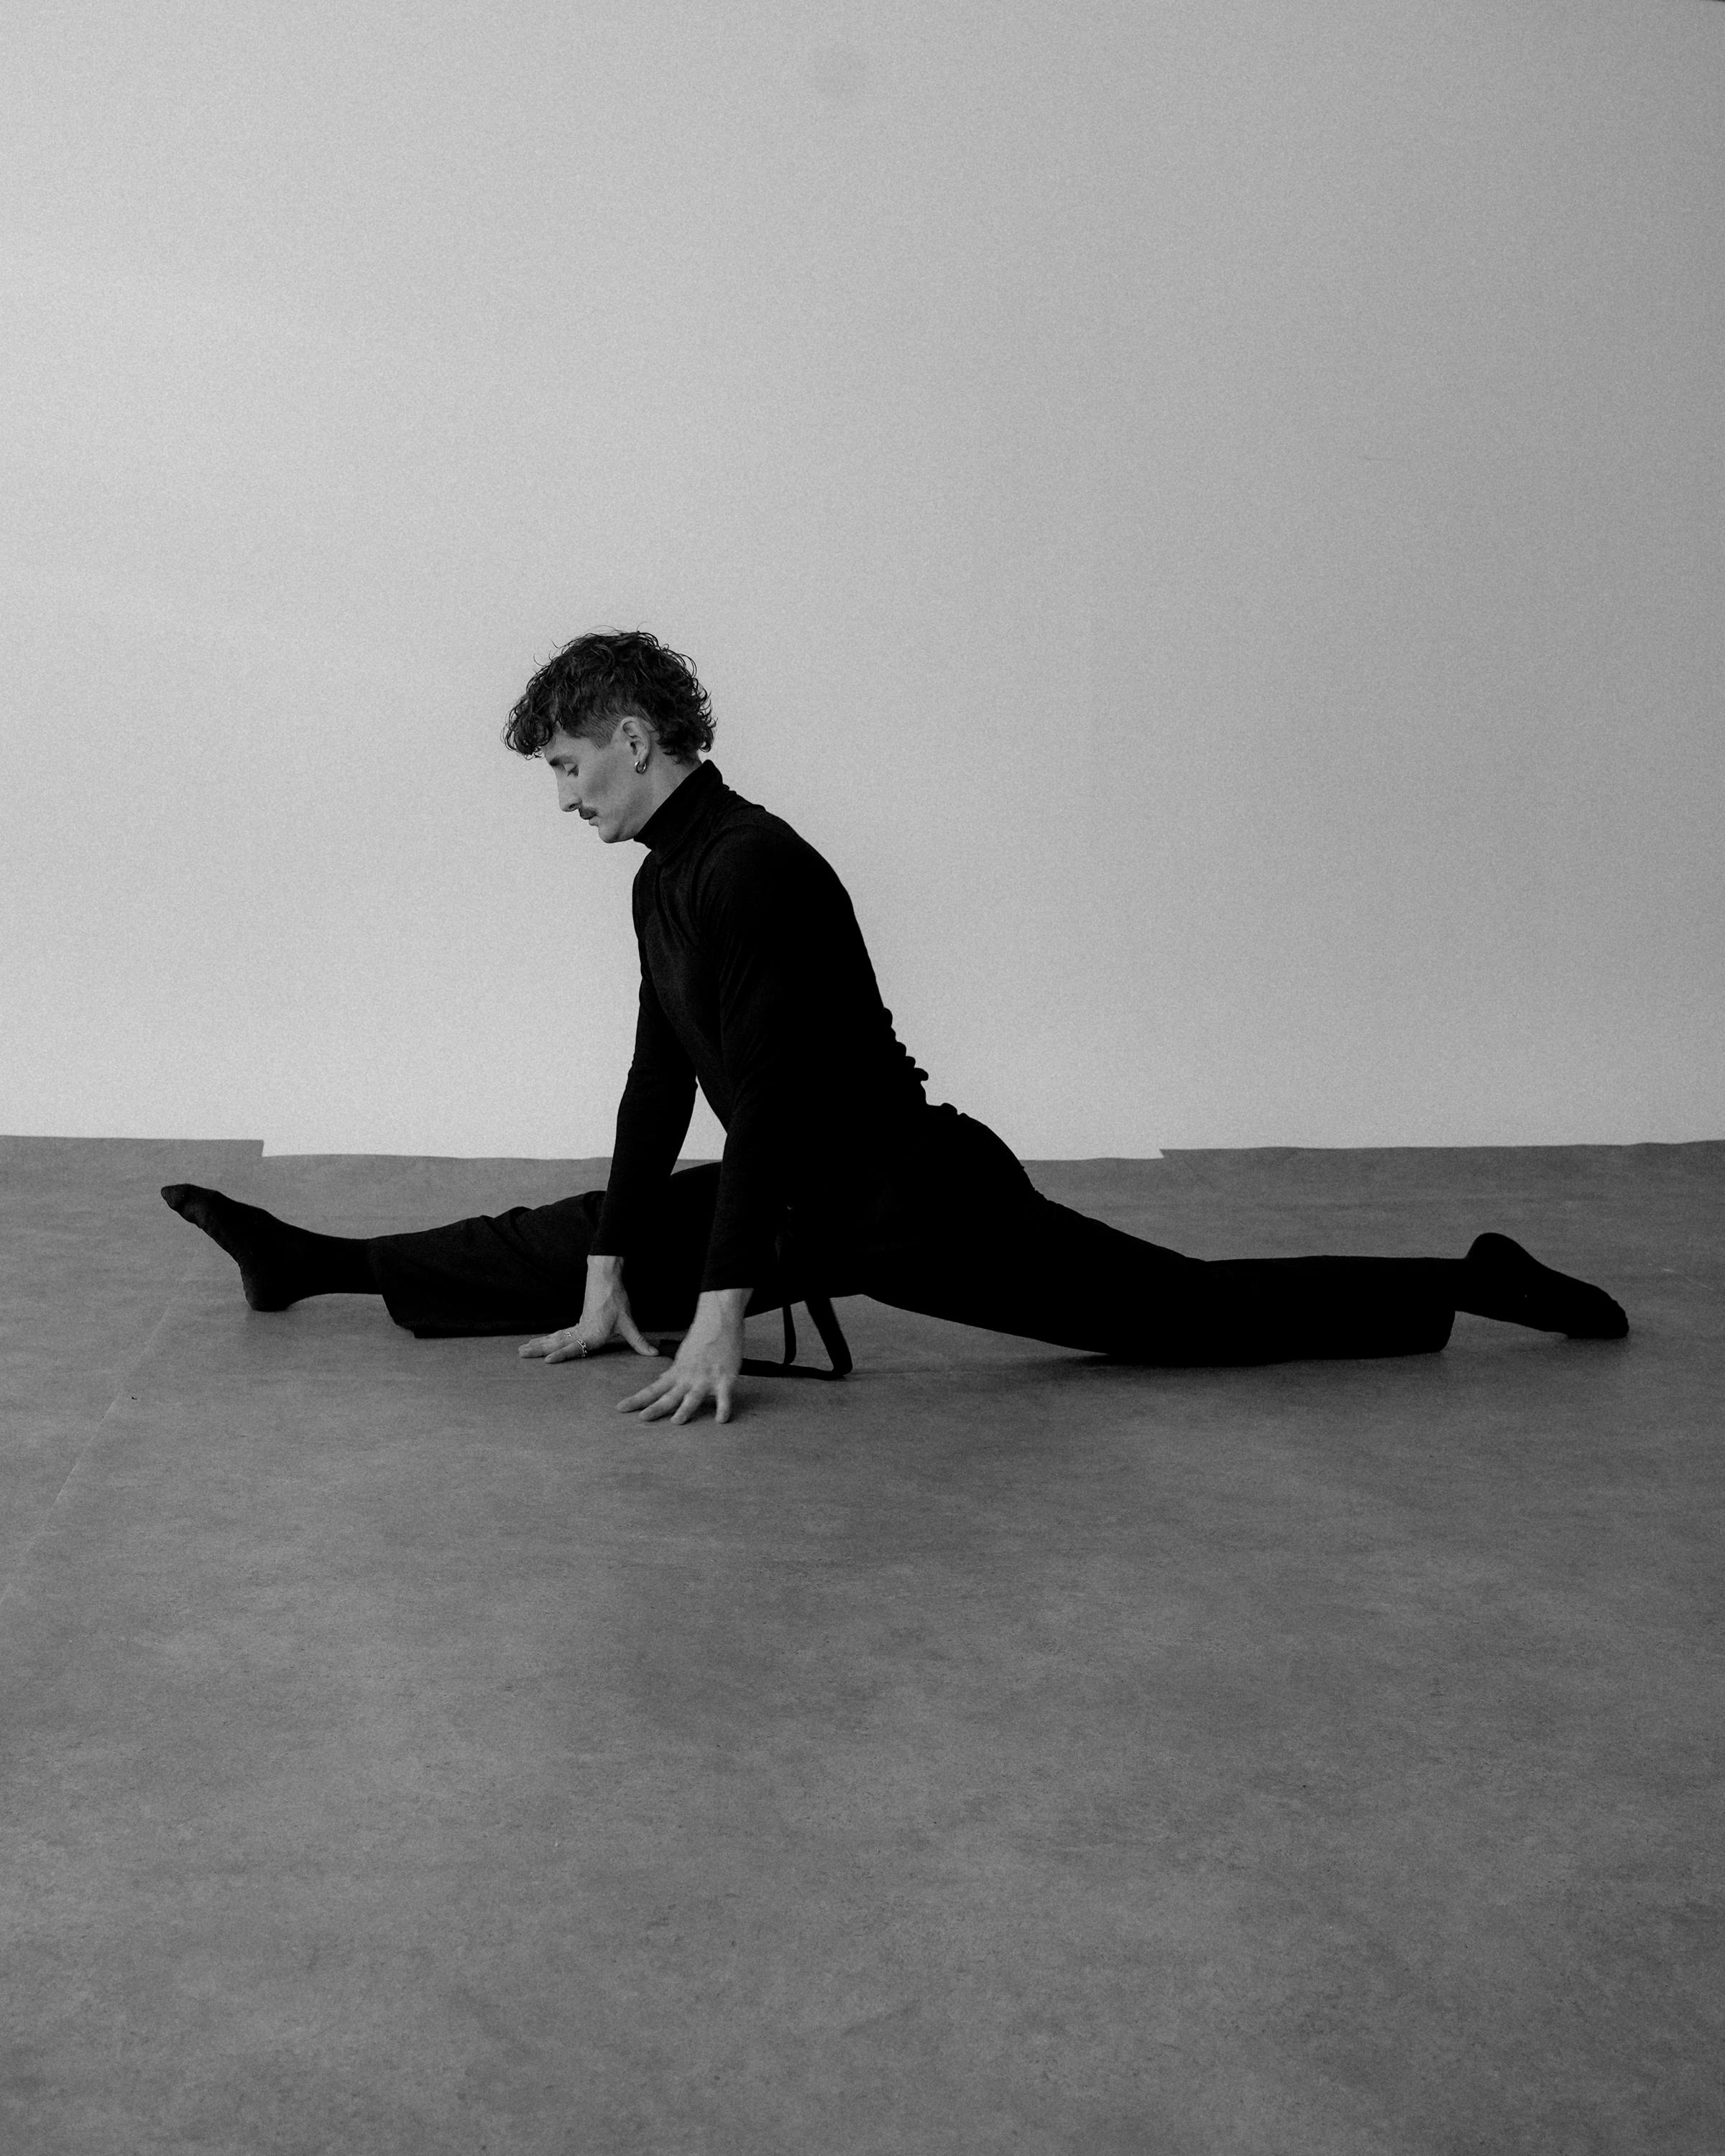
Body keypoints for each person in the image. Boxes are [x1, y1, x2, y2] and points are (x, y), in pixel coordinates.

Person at [162, 630, 1629, 1425]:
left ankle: (1470, 1278)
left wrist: (721, 1319)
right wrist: (615, 1275)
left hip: (915, 1196)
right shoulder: (664, 882)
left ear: (634, 735)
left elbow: (781, 1110)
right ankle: (319, 1264)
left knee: (1185, 1320)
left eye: (566, 765)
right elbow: (655, 1088)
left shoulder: (761, 868)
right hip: (802, 1194)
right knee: (559, 1236)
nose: (561, 798)